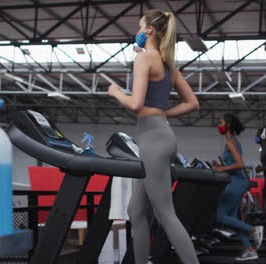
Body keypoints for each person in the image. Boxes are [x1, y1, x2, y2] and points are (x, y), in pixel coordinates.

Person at [108, 9, 200, 264]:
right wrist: (164, 115)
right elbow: (193, 103)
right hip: (160, 135)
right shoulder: (168, 65)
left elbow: (136, 103)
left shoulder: (145, 58)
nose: (136, 32)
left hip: (152, 140)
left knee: (165, 214)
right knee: (135, 211)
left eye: (140, 27)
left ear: (149, 30)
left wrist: (115, 92)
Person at [212, 113, 263, 261]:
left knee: (220, 216)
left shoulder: (230, 143)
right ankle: (249, 249)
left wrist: (221, 169)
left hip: (236, 182)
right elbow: (232, 165)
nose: (219, 125)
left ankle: (254, 230)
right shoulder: (233, 141)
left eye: (221, 122)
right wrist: (220, 165)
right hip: (238, 181)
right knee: (232, 219)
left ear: (228, 125)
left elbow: (240, 165)